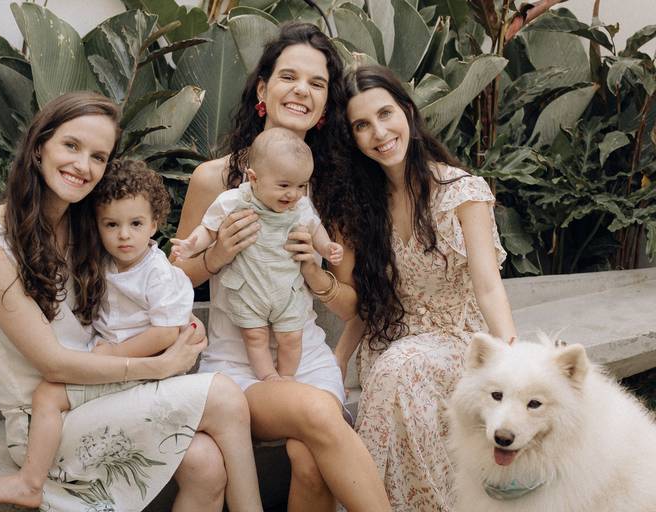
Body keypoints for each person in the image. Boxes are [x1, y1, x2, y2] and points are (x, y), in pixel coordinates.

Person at [0, 91, 261, 512]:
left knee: (207, 465)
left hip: (103, 393)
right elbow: (53, 364)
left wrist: (176, 325)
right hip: (45, 419)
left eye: (98, 157)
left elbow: (146, 284)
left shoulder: (89, 225)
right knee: (225, 396)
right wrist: (160, 365)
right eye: (71, 145)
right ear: (39, 145)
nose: (83, 166)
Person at [172, 22, 391, 512]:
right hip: (237, 368)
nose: (301, 90)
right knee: (317, 413)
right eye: (289, 77)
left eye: (317, 83)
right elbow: (174, 281)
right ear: (262, 90)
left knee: (310, 461)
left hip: (306, 357)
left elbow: (351, 304)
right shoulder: (214, 181)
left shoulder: (333, 191)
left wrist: (316, 274)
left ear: (325, 105)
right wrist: (216, 255)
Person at [327, 65, 517, 511]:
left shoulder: (461, 192)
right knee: (396, 370)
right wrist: (339, 358)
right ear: (353, 138)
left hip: (457, 341)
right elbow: (368, 302)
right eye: (362, 125)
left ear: (408, 113)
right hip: (391, 342)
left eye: (385, 114)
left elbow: (488, 288)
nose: (379, 133)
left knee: (402, 370)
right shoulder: (360, 206)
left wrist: (512, 358)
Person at [171, 128, 343, 382]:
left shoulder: (299, 206)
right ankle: (268, 377)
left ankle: (287, 377)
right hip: (249, 290)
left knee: (291, 338)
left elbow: (315, 228)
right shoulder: (233, 201)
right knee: (254, 336)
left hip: (287, 290)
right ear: (254, 178)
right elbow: (208, 229)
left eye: (301, 186)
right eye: (284, 186)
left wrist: (327, 247)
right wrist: (190, 246)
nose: (293, 194)